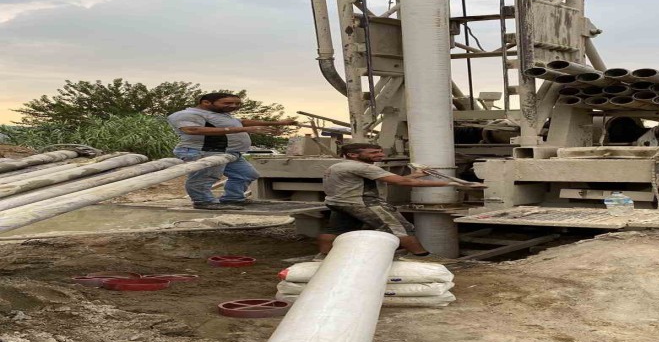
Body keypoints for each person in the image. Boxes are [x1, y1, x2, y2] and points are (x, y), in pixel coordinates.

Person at [316, 143, 485, 257]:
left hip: (339, 202)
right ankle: (423, 258)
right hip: (363, 203)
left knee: (336, 229)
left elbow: (392, 180)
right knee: (401, 229)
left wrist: (416, 174)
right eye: (374, 153)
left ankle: (324, 257)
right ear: (353, 154)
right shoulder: (362, 167)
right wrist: (455, 184)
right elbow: (404, 182)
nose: (381, 155)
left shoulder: (338, 166)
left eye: (380, 151)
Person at [167, 93, 297, 210]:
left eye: (237, 103)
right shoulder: (187, 114)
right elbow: (192, 130)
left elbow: (242, 122)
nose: (234, 106)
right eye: (227, 103)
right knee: (204, 177)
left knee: (246, 174)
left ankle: (233, 199)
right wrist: (245, 130)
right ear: (206, 102)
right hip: (204, 151)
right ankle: (203, 201)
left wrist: (277, 123)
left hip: (228, 152)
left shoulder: (220, 115)